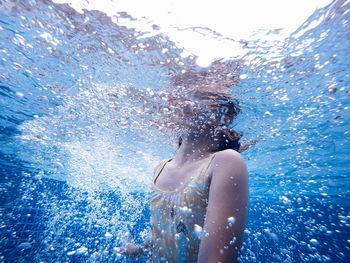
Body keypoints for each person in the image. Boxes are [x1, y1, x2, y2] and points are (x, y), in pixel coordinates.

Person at [119, 61, 249, 262]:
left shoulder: (225, 162)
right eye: (180, 94)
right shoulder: (160, 167)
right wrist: (138, 249)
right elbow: (166, 228)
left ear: (223, 116)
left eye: (199, 93)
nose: (182, 99)